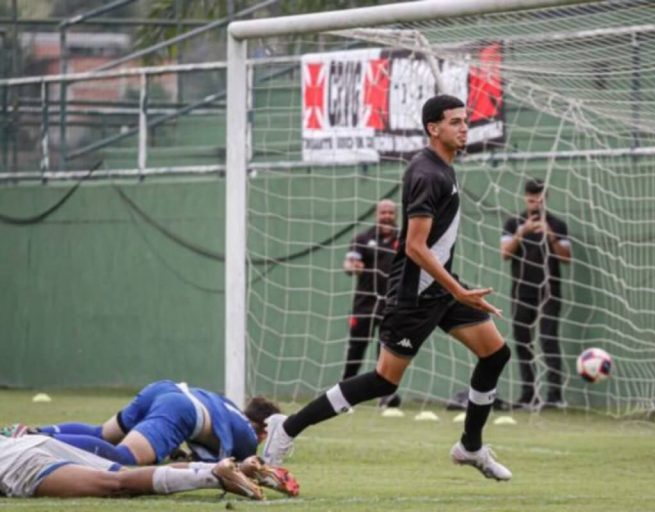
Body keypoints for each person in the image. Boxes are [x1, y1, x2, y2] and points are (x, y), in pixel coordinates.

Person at [261, 94, 513, 481]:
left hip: (441, 288)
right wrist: (457, 291)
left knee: (495, 354)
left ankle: (471, 447)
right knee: (383, 380)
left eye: (466, 120)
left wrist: (452, 289)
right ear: (434, 128)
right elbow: (414, 246)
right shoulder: (428, 173)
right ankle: (288, 427)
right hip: (414, 296)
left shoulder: (443, 167)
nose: (465, 127)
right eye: (456, 121)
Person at [25, 380, 280, 467]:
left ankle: (28, 431)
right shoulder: (248, 441)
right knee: (123, 457)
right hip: (182, 410)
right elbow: (224, 466)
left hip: (165, 389)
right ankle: (36, 441)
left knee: (102, 433)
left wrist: (176, 452)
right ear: (263, 429)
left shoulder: (230, 406)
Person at [0, 433, 265, 499]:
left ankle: (215, 477)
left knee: (115, 485)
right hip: (32, 443)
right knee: (123, 474)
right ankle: (234, 468)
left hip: (17, 465)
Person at [501, 178, 572, 410]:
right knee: (523, 342)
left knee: (548, 339)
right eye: (531, 199)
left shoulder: (558, 225)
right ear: (525, 198)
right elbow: (505, 253)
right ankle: (528, 395)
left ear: (545, 198)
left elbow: (566, 258)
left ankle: (555, 396)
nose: (534, 203)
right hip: (522, 291)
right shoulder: (513, 223)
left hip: (549, 291)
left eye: (538, 198)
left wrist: (550, 234)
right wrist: (522, 232)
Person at [342, 198, 401, 408]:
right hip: (364, 304)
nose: (386, 216)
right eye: (383, 212)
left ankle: (386, 397)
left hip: (392, 305)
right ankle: (344, 395)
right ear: (377, 214)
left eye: (390, 213)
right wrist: (352, 266)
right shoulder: (362, 238)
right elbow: (349, 263)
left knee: (386, 352)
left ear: (395, 215)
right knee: (356, 350)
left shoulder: (403, 239)